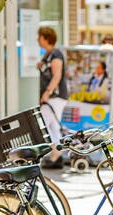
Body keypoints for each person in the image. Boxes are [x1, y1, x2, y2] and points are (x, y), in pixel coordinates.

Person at [37, 26, 68, 168]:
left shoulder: (55, 54)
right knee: (53, 126)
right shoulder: (48, 54)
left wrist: (47, 92)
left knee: (44, 123)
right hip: (52, 97)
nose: (38, 40)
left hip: (54, 96)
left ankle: (54, 154)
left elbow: (57, 75)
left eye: (40, 37)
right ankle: (56, 155)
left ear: (47, 38)